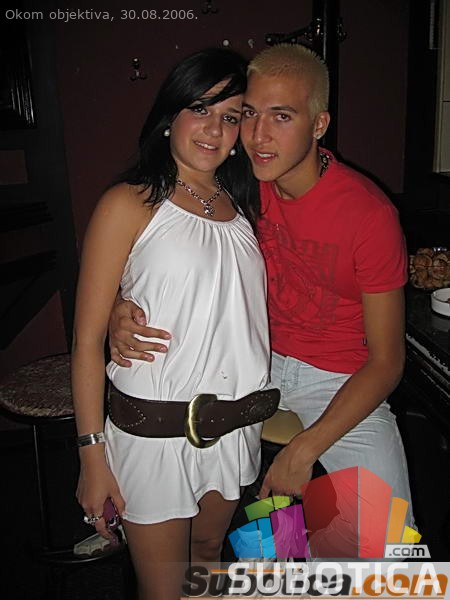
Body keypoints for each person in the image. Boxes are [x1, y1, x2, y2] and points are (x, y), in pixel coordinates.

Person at [109, 44, 414, 557]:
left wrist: (304, 449)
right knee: (240, 527)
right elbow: (157, 236)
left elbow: (388, 361)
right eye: (249, 114)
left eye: (282, 116)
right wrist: (122, 302)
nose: (258, 135)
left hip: (337, 376)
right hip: (251, 361)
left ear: (319, 125)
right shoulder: (236, 182)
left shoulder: (369, 215)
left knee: (391, 547)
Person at [71, 47, 279, 600]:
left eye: (230, 116)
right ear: (170, 116)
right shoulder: (129, 202)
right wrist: (92, 454)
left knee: (207, 562)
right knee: (164, 588)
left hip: (233, 428)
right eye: (200, 108)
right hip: (154, 433)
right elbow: (86, 341)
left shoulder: (244, 204)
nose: (214, 129)